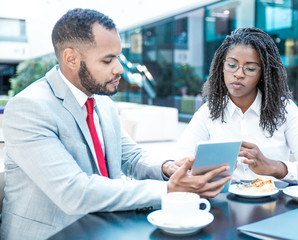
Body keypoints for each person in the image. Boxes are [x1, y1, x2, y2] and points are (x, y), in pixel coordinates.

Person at [0, 8, 231, 239]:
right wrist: (170, 189)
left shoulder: (102, 102)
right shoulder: (28, 108)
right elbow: (74, 192)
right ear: (71, 58)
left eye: (118, 56)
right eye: (107, 59)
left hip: (104, 226)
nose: (119, 68)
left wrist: (168, 169)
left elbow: (131, 157)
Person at [176, 27, 298, 183]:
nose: (239, 74)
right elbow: (177, 163)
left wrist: (272, 167)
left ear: (263, 74)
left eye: (250, 68)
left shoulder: (285, 110)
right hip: (222, 200)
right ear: (221, 67)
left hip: (274, 202)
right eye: (231, 65)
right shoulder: (209, 111)